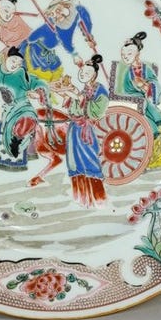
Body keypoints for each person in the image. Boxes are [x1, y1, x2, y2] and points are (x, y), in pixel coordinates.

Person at [0, 46, 48, 171]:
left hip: (23, 106)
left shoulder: (21, 73)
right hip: (9, 110)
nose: (15, 65)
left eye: (18, 63)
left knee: (26, 121)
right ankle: (12, 147)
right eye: (13, 61)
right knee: (7, 129)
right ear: (6, 58)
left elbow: (35, 82)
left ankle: (18, 142)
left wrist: (37, 93)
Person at [62, 54, 109, 208]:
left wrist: (79, 99)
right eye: (82, 72)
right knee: (74, 163)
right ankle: (82, 200)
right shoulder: (84, 90)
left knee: (89, 160)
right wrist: (74, 97)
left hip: (86, 131)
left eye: (87, 73)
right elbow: (74, 109)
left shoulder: (99, 90)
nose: (83, 75)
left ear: (94, 75)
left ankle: (99, 200)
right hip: (74, 130)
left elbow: (98, 110)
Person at [116, 32, 161, 168]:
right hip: (134, 100)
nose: (126, 57)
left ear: (137, 53)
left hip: (146, 99)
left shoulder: (146, 69)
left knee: (148, 109)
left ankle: (155, 155)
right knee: (140, 107)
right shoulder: (128, 73)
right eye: (124, 55)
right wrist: (136, 87)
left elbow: (155, 83)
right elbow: (126, 91)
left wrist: (146, 86)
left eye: (129, 54)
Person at [19, 0, 93, 82]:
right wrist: (75, 55)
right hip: (39, 49)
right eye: (54, 14)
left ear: (64, 4)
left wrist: (88, 36)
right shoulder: (58, 24)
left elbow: (85, 21)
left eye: (58, 10)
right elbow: (65, 42)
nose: (58, 14)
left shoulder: (76, 11)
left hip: (46, 49)